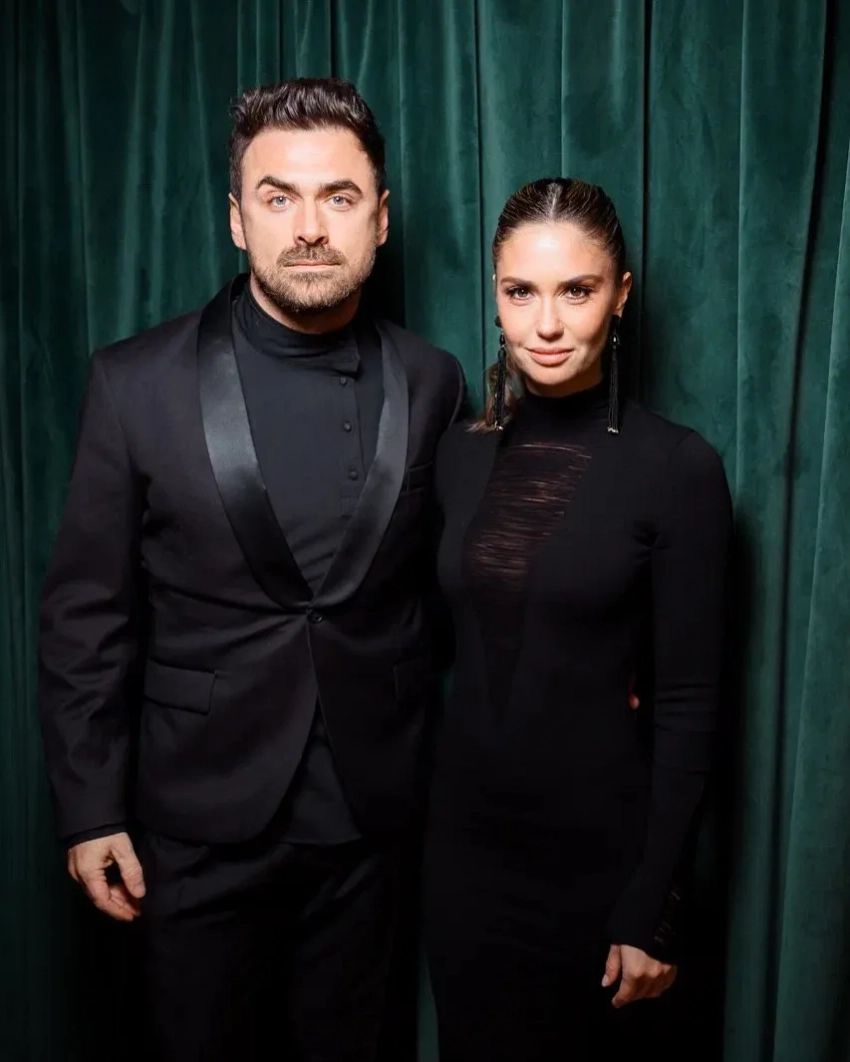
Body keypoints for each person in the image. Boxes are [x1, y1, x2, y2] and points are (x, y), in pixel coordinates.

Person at [38, 77, 464, 1061]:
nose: (309, 228)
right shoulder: (133, 383)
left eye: (338, 197)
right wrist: (90, 809)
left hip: (372, 821)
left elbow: (459, 576)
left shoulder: (431, 380)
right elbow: (86, 614)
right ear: (237, 218)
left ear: (380, 218)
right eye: (279, 197)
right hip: (192, 826)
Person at [423, 177, 732, 1060]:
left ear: (620, 294)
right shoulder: (457, 454)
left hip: (602, 870)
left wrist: (654, 905)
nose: (548, 324)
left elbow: (691, 705)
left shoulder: (676, 468)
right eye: (521, 292)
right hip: (465, 864)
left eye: (577, 290)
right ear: (495, 293)